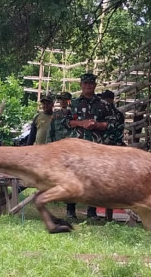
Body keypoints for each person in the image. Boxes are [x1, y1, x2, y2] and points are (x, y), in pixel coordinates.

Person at [65, 73, 118, 220]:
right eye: (85, 83)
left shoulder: (104, 104)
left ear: (95, 85)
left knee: (94, 179)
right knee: (73, 177)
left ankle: (92, 212)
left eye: (91, 83)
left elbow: (114, 123)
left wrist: (98, 125)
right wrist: (81, 123)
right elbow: (66, 122)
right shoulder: (73, 104)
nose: (88, 86)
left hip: (96, 147)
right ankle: (70, 210)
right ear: (81, 85)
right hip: (77, 147)